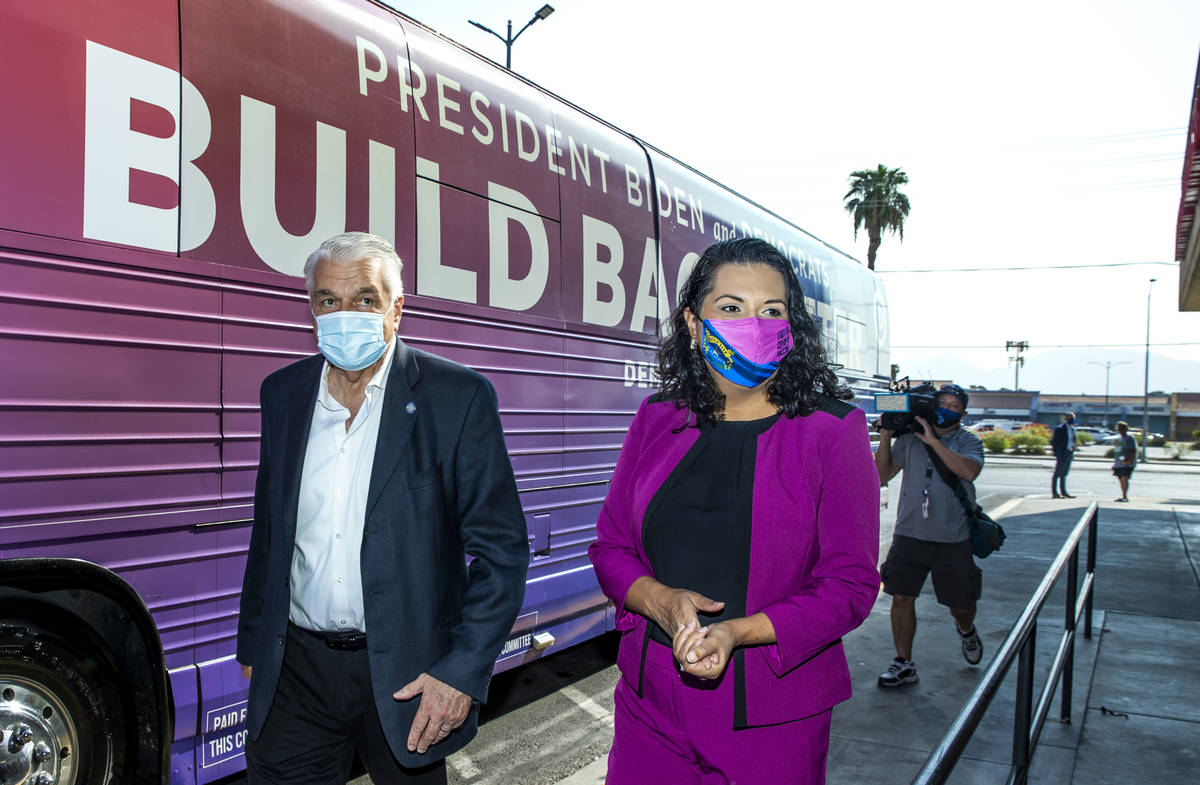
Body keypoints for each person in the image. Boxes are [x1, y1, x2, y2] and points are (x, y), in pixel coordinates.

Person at [236, 232, 529, 784]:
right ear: (311, 309)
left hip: (409, 676)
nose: (345, 314)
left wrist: (461, 672)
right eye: (329, 300)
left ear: (397, 309)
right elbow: (270, 530)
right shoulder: (283, 394)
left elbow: (503, 553)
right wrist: (255, 639)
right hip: (297, 670)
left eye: (365, 299)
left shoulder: (457, 396)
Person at [588, 238, 880, 785]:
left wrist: (737, 632)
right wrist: (661, 602)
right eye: (731, 308)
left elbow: (852, 585)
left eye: (772, 311)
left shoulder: (832, 432)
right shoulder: (656, 419)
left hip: (775, 710)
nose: (755, 323)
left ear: (792, 329)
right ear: (694, 325)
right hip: (649, 700)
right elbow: (611, 548)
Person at [874, 384, 985, 688]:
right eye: (942, 402)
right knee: (901, 596)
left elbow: (968, 472)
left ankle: (966, 629)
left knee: (959, 605)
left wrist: (934, 442)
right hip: (909, 534)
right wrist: (885, 435)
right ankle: (903, 662)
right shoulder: (909, 441)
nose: (947, 408)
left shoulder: (968, 441)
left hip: (953, 539)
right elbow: (881, 476)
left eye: (955, 406)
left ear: (962, 413)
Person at [1050, 411, 1077, 498]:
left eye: (1073, 418)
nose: (1072, 420)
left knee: (1064, 474)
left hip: (1069, 452)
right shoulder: (1060, 428)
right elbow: (1055, 441)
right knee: (1057, 473)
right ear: (1066, 419)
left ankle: (1063, 492)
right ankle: (1054, 492)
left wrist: (1073, 448)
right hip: (1062, 453)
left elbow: (1073, 440)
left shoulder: (1072, 429)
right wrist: (1055, 452)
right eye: (1070, 418)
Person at [1112, 420, 1137, 502]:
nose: (1120, 430)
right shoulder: (1120, 439)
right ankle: (1123, 495)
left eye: (1122, 428)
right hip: (1119, 463)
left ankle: (1125, 496)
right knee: (1120, 479)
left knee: (1124, 478)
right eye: (1119, 429)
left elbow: (1132, 450)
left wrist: (1130, 461)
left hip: (1126, 463)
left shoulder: (1129, 438)